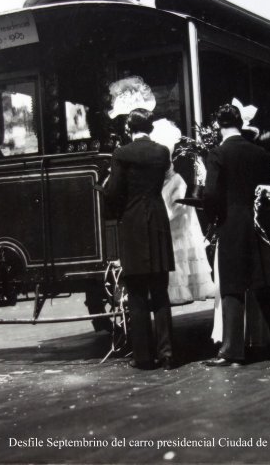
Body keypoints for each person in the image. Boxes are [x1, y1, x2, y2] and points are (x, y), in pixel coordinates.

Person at [202, 104, 270, 367]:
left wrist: (214, 219)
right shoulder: (259, 152)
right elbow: (268, 189)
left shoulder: (218, 153)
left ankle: (231, 350)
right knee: (264, 284)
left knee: (232, 286)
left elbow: (210, 194)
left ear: (219, 126)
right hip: (257, 223)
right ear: (240, 123)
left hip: (230, 224)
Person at [104, 108, 176, 370]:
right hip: (157, 221)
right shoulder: (161, 152)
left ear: (128, 129)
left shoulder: (122, 154)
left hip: (132, 224)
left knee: (136, 293)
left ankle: (143, 357)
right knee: (160, 292)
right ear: (151, 128)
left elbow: (113, 192)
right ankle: (167, 354)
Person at [150, 119, 215, 304]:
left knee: (178, 243)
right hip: (166, 202)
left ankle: (181, 288)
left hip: (173, 202)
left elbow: (178, 206)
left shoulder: (175, 178)